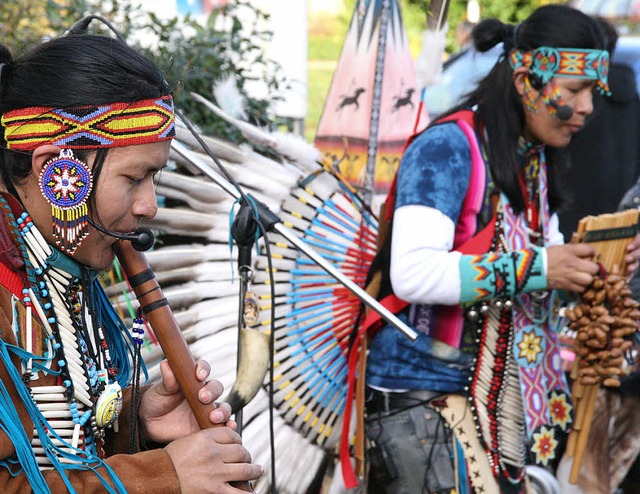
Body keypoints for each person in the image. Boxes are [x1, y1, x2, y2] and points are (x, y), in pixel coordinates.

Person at [361, 5, 640, 494]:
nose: (590, 108)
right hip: (423, 399)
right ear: (526, 82)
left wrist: (588, 271)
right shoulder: (448, 148)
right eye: (575, 90)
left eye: (592, 93)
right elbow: (412, 273)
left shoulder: (531, 161)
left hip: (493, 405)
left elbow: (541, 266)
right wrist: (542, 268)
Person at [0, 34, 263, 492]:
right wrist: (165, 476)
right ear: (54, 170)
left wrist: (134, 418)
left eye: (154, 177)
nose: (149, 205)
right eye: (135, 177)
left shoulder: (56, 270)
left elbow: (56, 435)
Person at [558, 17, 640, 242]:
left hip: (568, 228)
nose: (585, 107)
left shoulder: (574, 105)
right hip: (616, 227)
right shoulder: (633, 102)